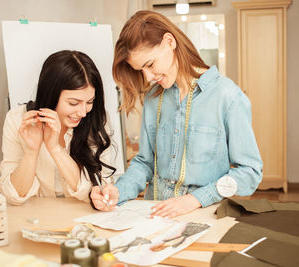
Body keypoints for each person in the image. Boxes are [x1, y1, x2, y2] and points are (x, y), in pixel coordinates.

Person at [90, 10, 263, 218]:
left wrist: (196, 199)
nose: (148, 77)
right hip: (153, 215)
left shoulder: (228, 97)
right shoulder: (154, 99)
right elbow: (145, 162)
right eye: (140, 70)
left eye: (150, 64)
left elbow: (249, 172)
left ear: (169, 42)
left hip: (205, 216)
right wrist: (119, 190)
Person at [0, 50, 116, 205]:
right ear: (51, 94)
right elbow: (13, 195)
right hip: (35, 219)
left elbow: (93, 189)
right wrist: (31, 151)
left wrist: (55, 149)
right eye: (73, 103)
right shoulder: (17, 121)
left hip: (83, 216)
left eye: (89, 102)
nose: (82, 113)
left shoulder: (97, 119)